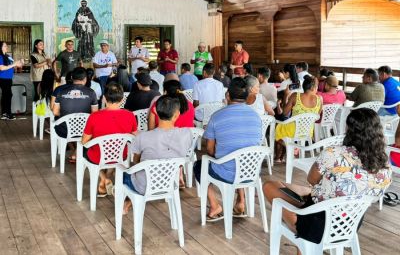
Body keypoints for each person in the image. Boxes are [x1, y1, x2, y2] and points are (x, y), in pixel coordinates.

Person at [264, 108, 392, 246]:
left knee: (269, 186)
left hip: (317, 225)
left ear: (349, 129)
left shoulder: (334, 153)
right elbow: (375, 195)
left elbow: (311, 180)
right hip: (350, 225)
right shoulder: (384, 163)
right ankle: (305, 205)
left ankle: (302, 218)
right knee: (300, 190)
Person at [193, 78, 262, 221]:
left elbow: (210, 150)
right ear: (247, 97)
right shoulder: (256, 116)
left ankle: (214, 205)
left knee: (199, 166)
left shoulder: (217, 116)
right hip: (252, 170)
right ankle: (241, 202)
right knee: (239, 157)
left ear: (227, 96)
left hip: (228, 173)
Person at [123, 95, 193, 213]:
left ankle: (126, 203)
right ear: (177, 114)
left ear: (155, 111)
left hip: (143, 186)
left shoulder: (143, 137)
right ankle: (128, 203)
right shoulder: (187, 134)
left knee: (123, 174)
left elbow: (136, 161)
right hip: (170, 182)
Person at [82, 83, 137, 197]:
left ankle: (104, 179)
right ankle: (106, 179)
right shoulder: (130, 115)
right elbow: (134, 136)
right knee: (114, 153)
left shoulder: (94, 116)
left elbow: (84, 141)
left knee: (84, 150)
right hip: (121, 155)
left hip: (98, 156)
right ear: (122, 99)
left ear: (104, 98)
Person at [275, 76, 322, 162]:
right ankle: (289, 150)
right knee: (282, 128)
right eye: (317, 86)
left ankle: (290, 148)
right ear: (313, 87)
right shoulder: (320, 99)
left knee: (278, 129)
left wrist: (286, 95)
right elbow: (317, 117)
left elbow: (284, 113)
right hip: (308, 131)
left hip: (293, 129)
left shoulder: (295, 96)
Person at [52, 67, 98, 139]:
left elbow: (55, 112)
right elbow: (94, 114)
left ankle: (75, 148)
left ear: (71, 77)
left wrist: (67, 115)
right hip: (85, 130)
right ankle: (80, 147)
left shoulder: (61, 92)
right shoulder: (91, 92)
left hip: (65, 130)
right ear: (85, 79)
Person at [0, 41, 23, 120]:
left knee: (7, 95)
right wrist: (14, 64)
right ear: (1, 47)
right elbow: (2, 68)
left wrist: (20, 63)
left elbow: (16, 66)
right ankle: (7, 113)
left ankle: (4, 113)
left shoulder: (8, 56)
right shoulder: (0, 56)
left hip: (8, 78)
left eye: (6, 46)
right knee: (7, 95)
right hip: (3, 78)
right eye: (5, 46)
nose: (7, 47)